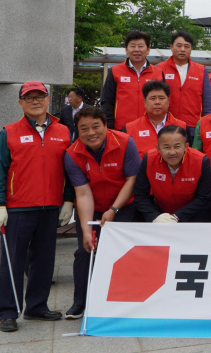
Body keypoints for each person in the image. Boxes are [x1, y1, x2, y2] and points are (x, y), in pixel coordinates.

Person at [0, 82, 72, 332]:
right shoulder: (9, 132)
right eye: (29, 97)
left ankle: (37, 306)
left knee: (44, 260)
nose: (35, 101)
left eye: (40, 96)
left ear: (48, 99)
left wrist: (68, 200)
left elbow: (72, 169)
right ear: (21, 103)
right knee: (12, 261)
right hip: (18, 208)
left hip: (50, 208)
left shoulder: (64, 132)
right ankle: (7, 311)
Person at [65, 106, 141, 319]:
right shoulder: (72, 154)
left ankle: (121, 300)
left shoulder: (125, 142)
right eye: (84, 129)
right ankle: (80, 303)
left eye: (96, 126)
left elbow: (132, 180)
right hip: (94, 206)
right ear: (77, 132)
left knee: (120, 251)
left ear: (106, 125)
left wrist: (114, 209)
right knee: (84, 250)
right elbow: (82, 193)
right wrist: (86, 228)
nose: (91, 133)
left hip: (124, 205)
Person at [134, 125, 211, 223]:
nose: (172, 152)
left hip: (193, 216)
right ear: (158, 148)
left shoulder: (201, 161)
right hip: (160, 216)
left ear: (186, 146)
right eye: (166, 147)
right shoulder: (149, 160)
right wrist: (154, 216)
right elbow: (140, 195)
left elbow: (203, 197)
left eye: (177, 146)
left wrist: (177, 217)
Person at [100, 30, 164, 130]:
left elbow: (164, 102)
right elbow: (107, 102)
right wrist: (110, 127)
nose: (136, 49)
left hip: (151, 128)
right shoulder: (115, 71)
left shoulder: (158, 73)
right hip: (122, 128)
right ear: (126, 50)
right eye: (132, 46)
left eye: (141, 46)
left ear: (148, 50)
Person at [159, 31, 211, 132]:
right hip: (166, 126)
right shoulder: (160, 68)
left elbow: (208, 103)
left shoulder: (201, 70)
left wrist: (207, 125)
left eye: (187, 46)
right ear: (171, 47)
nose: (182, 50)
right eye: (179, 46)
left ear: (191, 49)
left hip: (193, 126)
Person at [123, 80, 183, 156]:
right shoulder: (129, 129)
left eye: (161, 98)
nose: (157, 102)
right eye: (153, 98)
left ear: (168, 102)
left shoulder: (182, 126)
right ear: (144, 102)